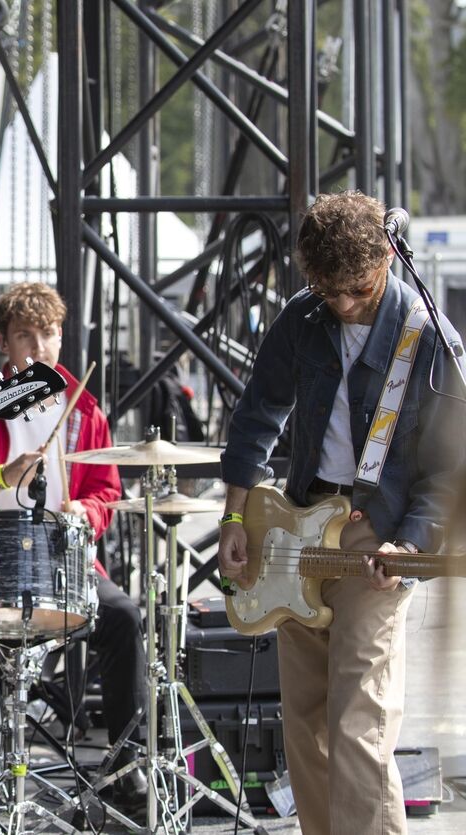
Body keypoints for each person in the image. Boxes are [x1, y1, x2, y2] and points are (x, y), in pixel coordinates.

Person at [218, 190, 465, 835]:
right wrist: (235, 517)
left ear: (387, 256)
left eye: (356, 289)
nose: (344, 305)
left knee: (359, 722)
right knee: (304, 722)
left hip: (380, 535)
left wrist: (411, 544)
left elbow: (449, 467)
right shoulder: (305, 316)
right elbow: (255, 417)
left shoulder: (429, 338)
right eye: (330, 292)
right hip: (299, 524)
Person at [0, 281, 148, 808]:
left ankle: (125, 764)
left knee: (124, 618)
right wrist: (1, 477)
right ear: (4, 343)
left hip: (61, 566)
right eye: (25, 336)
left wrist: (83, 512)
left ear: (61, 338)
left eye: (48, 334)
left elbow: (107, 493)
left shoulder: (82, 408)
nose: (39, 347)